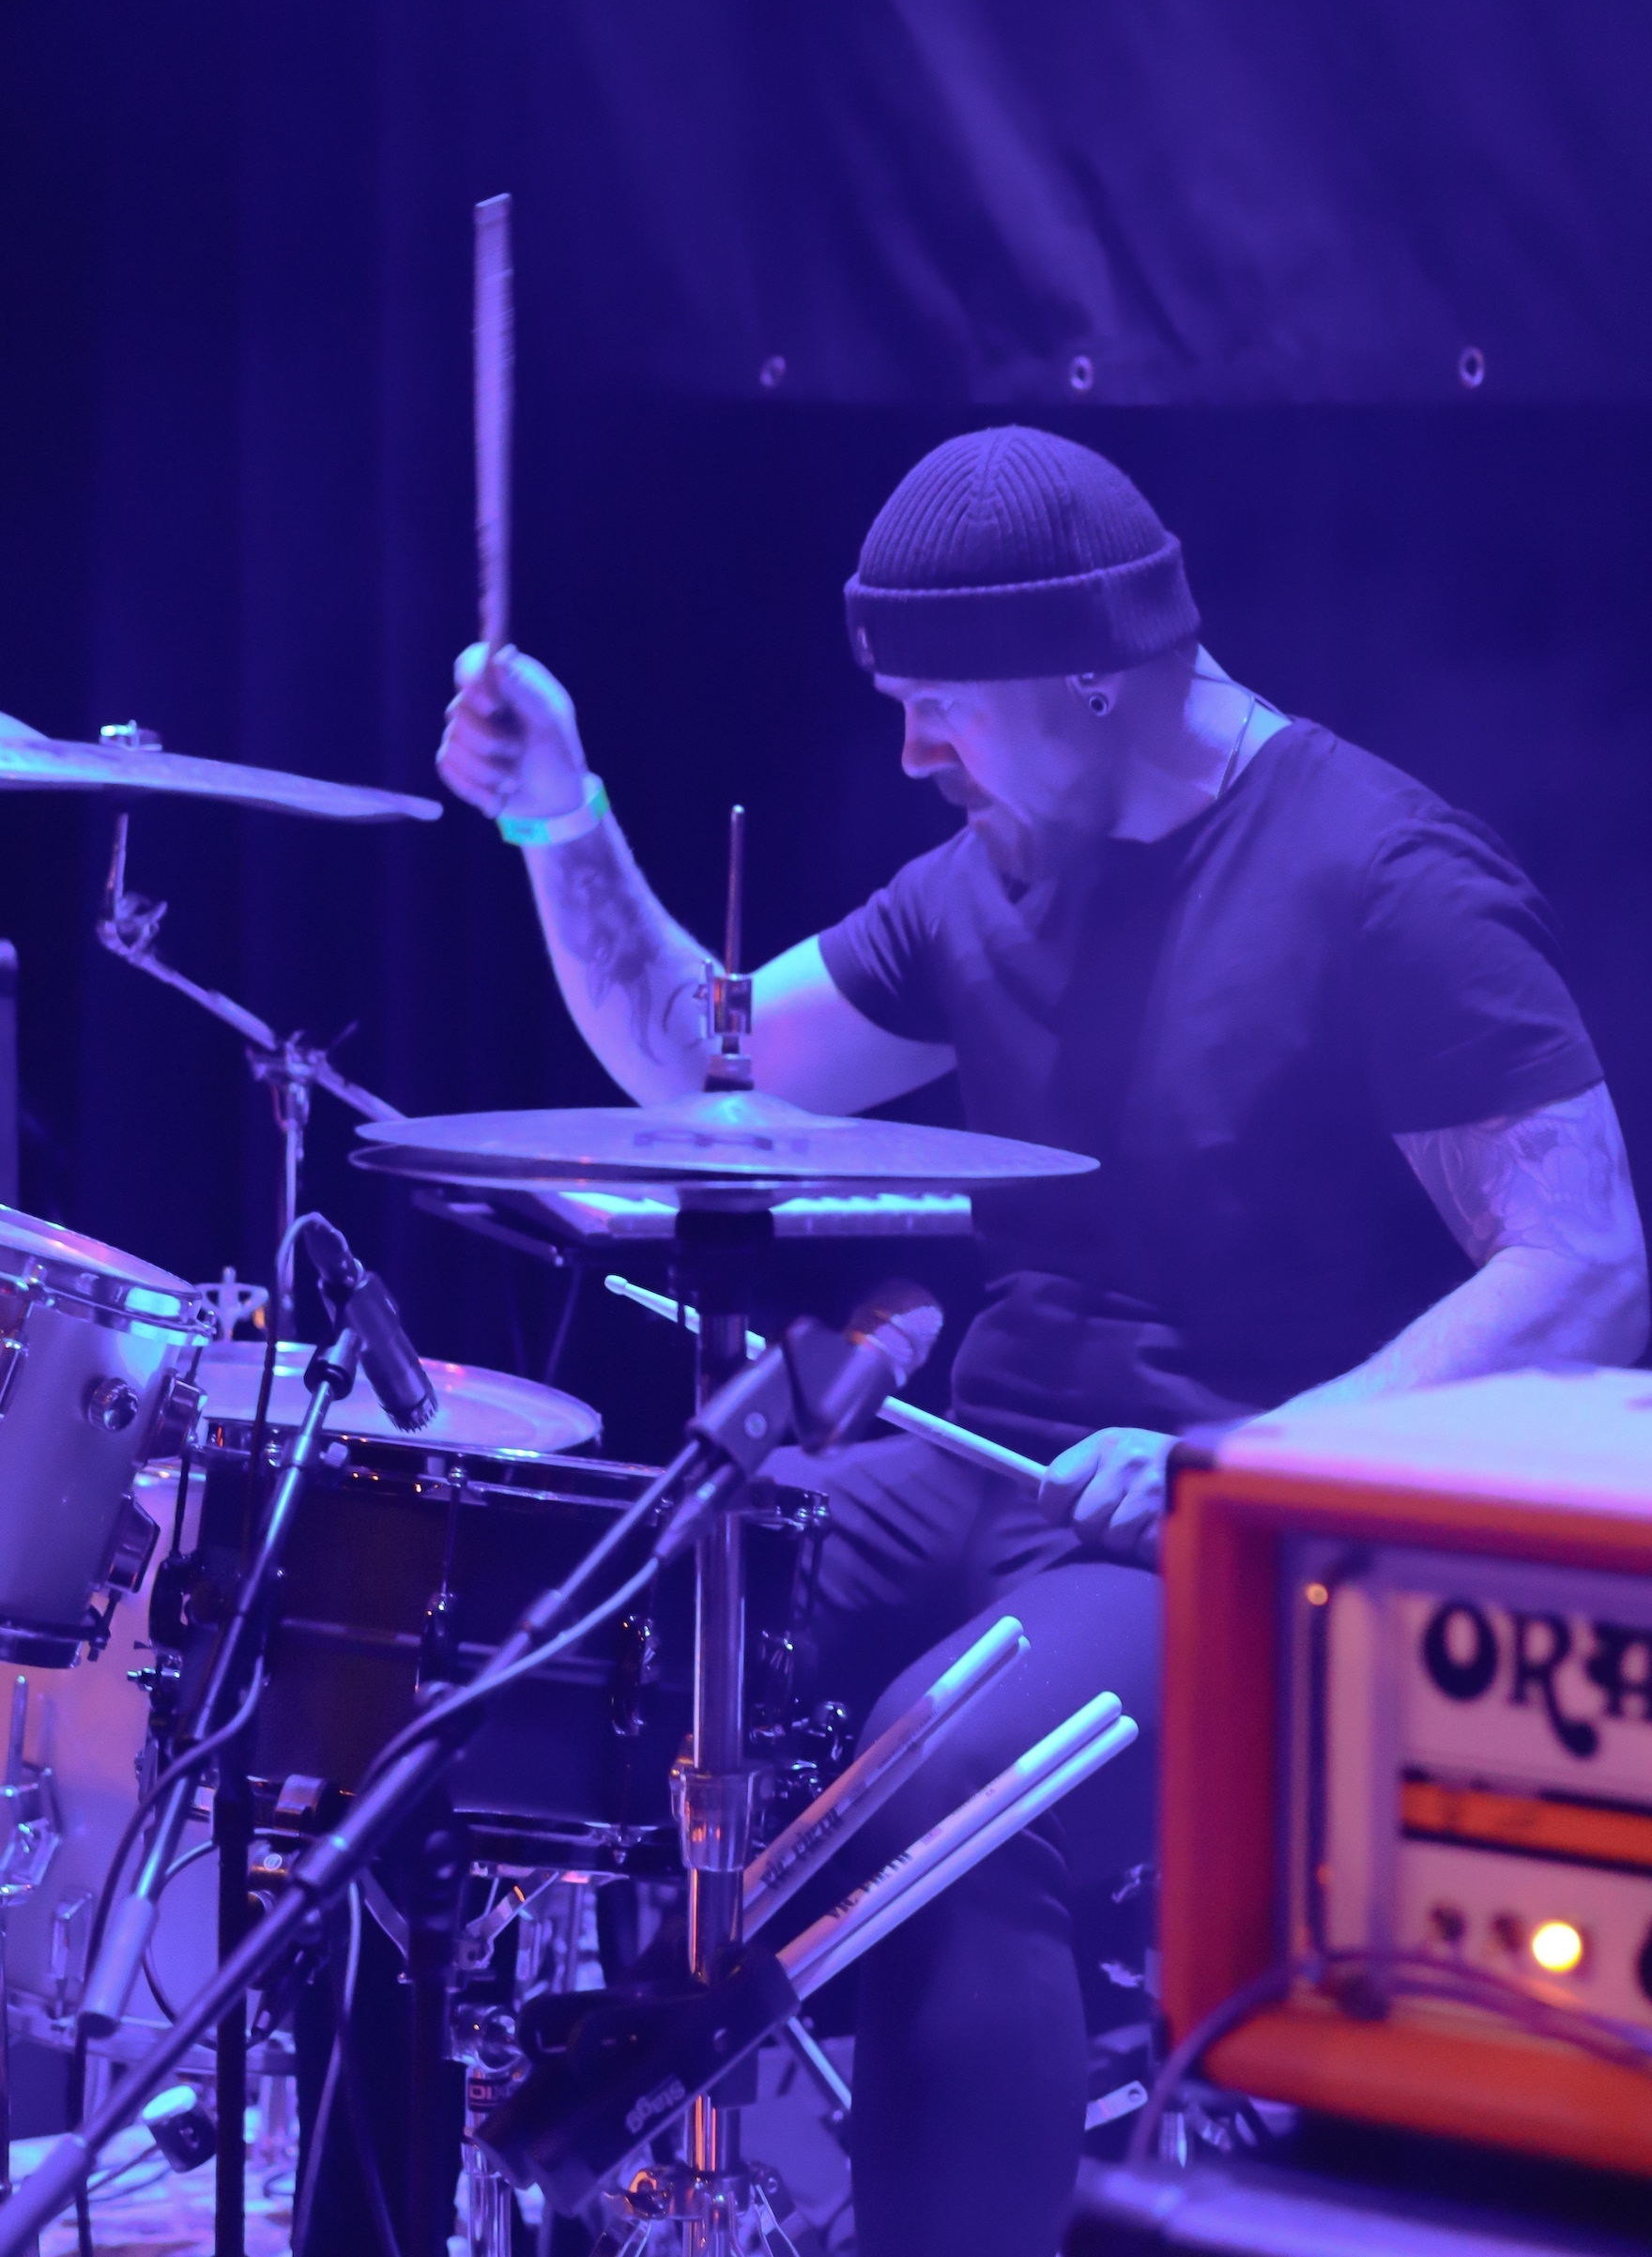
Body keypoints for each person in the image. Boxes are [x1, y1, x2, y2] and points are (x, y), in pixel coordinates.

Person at [437, 426, 1647, 2256]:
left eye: (942, 706)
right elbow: (702, 1053)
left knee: (955, 1792)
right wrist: (559, 814)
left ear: (1095, 670)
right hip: (995, 1473)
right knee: (580, 1630)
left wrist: (1235, 1461)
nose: (911, 754)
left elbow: (1584, 1261)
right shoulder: (989, 878)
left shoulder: (1383, 879)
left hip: (1260, 1540)